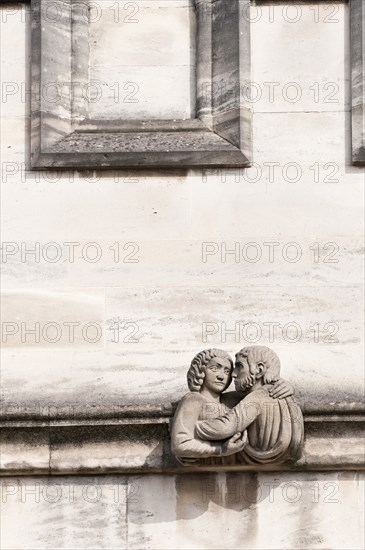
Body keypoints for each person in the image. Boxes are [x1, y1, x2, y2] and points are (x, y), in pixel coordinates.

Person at [170, 347, 294, 465]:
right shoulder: (193, 400)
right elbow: (180, 444)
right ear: (200, 371)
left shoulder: (231, 400)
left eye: (227, 371)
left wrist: (282, 384)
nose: (221, 376)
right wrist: (220, 450)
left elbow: (258, 393)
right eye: (214, 368)